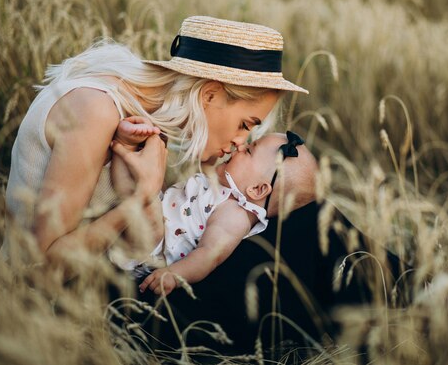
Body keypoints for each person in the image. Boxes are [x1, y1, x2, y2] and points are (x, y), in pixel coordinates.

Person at [3, 15, 308, 264]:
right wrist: (139, 198)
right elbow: (35, 267)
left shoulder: (148, 122)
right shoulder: (96, 110)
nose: (241, 143)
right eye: (245, 124)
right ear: (209, 94)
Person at [109, 119, 317, 295]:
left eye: (249, 151)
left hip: (155, 246)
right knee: (141, 189)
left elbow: (209, 254)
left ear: (258, 189)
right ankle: (125, 146)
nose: (240, 147)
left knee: (143, 196)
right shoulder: (225, 184)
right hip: (157, 212)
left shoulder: (235, 215)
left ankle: (124, 148)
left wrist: (174, 275)